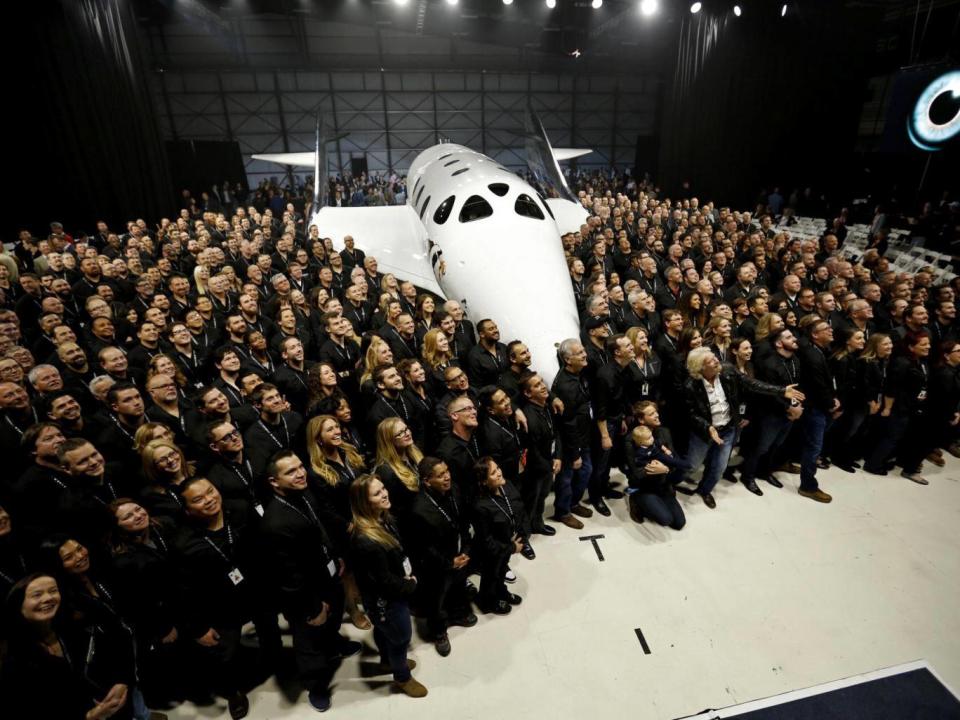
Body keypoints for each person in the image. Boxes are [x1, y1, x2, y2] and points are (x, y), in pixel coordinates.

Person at [260, 451, 360, 713]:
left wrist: (335, 556)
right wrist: (313, 608)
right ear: (274, 481)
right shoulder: (276, 522)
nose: (300, 473)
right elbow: (289, 576)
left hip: (327, 574)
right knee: (310, 644)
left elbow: (320, 530)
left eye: (300, 467)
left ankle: (334, 643)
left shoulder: (304, 494)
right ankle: (316, 685)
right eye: (290, 472)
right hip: (305, 596)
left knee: (334, 618)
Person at [0, 573, 135, 719]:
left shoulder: (76, 630)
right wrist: (90, 717)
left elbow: (117, 655)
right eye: (37, 595)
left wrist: (122, 681)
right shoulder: (12, 657)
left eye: (53, 591)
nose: (48, 598)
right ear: (19, 605)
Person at [682, 347, 804, 508]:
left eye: (714, 357)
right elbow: (691, 414)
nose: (716, 360)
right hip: (704, 432)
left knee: (719, 467)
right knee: (692, 465)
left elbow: (752, 383)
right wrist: (708, 428)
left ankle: (704, 491)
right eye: (710, 360)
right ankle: (671, 482)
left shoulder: (728, 371)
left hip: (727, 428)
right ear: (701, 367)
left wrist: (781, 391)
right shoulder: (691, 385)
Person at [348, 473, 427, 698]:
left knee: (386, 634)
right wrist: (410, 586)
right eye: (377, 493)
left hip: (388, 595)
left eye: (383, 489)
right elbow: (385, 582)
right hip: (386, 601)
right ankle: (401, 677)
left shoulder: (383, 518)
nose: (385, 494)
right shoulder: (366, 541)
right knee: (400, 637)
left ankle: (386, 661)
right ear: (365, 503)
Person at [406, 457, 476, 657]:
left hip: (459, 553)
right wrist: (449, 563)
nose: (447, 477)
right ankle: (439, 632)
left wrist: (466, 551)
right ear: (427, 481)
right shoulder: (419, 510)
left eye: (447, 471)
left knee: (457, 587)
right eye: (440, 475)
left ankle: (457, 614)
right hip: (436, 565)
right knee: (436, 599)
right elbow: (423, 548)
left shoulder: (454, 490)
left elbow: (463, 522)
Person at [470, 457, 524, 615]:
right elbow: (487, 541)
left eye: (498, 468)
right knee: (491, 576)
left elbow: (518, 510)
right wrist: (511, 547)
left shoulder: (506, 486)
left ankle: (501, 592)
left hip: (507, 543)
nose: (499, 473)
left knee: (500, 572)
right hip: (493, 550)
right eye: (493, 473)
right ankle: (487, 602)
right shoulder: (481, 506)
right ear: (484, 482)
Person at [624, 425, 688, 527]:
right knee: (666, 520)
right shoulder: (632, 445)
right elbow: (635, 474)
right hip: (645, 487)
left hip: (663, 485)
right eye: (652, 413)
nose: (656, 415)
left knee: (679, 523)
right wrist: (652, 468)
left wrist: (665, 469)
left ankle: (658, 503)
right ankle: (636, 499)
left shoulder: (663, 432)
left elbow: (671, 457)